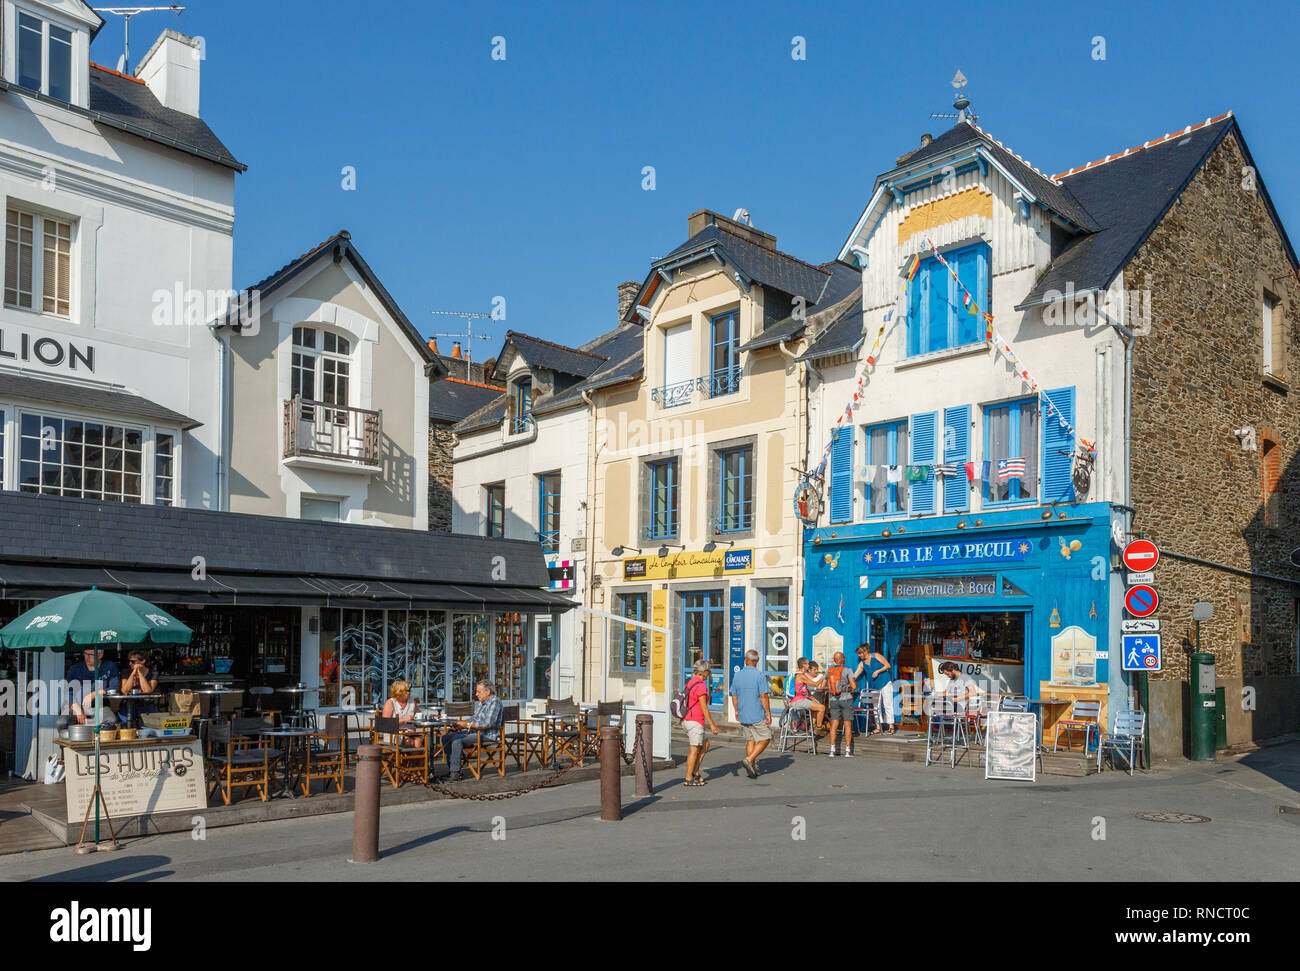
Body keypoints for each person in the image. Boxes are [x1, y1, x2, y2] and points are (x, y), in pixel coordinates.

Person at [440, 680, 502, 782]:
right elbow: (474, 719)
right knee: (446, 737)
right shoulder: (481, 703)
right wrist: (461, 724)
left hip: (488, 735)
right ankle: (452, 769)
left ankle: (455, 773)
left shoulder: (495, 701)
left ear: (488, 692)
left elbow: (487, 724)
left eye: (479, 692)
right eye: (476, 692)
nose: (476, 694)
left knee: (457, 740)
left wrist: (466, 725)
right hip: (475, 732)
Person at [729, 650, 772, 778]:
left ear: (745, 660)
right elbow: (764, 696)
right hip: (756, 713)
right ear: (757, 661)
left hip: (743, 712)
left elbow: (734, 695)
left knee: (750, 740)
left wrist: (736, 710)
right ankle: (749, 759)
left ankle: (752, 768)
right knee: (766, 738)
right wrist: (768, 712)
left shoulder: (737, 675)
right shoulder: (759, 675)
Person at [57, 648, 120, 730]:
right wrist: (78, 710)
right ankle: (71, 742)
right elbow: (68, 692)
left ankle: (98, 740)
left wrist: (94, 693)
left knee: (111, 721)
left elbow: (114, 688)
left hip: (99, 706)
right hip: (76, 705)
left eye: (90, 655)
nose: (87, 657)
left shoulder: (109, 666)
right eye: (85, 654)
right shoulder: (75, 669)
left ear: (100, 655)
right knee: (62, 723)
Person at [682, 660, 719, 786]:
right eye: (709, 671)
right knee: (694, 749)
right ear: (704, 672)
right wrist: (712, 725)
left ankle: (695, 771)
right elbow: (704, 707)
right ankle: (688, 778)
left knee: (705, 744)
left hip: (687, 719)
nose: (709, 674)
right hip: (695, 721)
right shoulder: (701, 686)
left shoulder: (690, 682)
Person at [854, 644, 897, 735]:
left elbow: (887, 665)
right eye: (858, 654)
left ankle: (891, 727)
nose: (859, 655)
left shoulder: (876, 656)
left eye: (860, 653)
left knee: (887, 704)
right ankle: (878, 727)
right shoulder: (862, 663)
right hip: (874, 686)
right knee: (876, 707)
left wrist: (878, 671)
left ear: (865, 652)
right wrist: (848, 679)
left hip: (885, 683)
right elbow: (855, 675)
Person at [825, 651, 858, 757]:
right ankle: (848, 751)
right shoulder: (848, 670)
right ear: (842, 659)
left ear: (835, 660)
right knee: (847, 725)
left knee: (834, 725)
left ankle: (832, 750)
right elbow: (854, 686)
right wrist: (845, 686)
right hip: (846, 699)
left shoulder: (829, 670)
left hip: (833, 699)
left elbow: (824, 685)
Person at [382, 680, 421, 747]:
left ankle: (411, 757)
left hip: (409, 732)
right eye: (407, 691)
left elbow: (419, 715)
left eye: (409, 690)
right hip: (394, 734)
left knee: (418, 742)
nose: (409, 692)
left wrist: (416, 718)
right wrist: (404, 719)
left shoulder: (412, 701)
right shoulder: (390, 703)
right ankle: (404, 756)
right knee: (411, 742)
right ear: (400, 692)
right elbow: (385, 724)